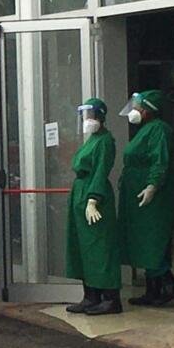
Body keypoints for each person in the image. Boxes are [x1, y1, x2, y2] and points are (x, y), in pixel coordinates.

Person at [117, 90, 174, 306]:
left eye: (138, 107)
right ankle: (153, 291)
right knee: (143, 242)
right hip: (138, 194)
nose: (134, 111)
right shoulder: (146, 129)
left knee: (153, 240)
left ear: (148, 109)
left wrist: (152, 185)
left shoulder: (159, 130)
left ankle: (167, 287)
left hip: (153, 198)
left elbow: (159, 161)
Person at [65, 98, 122, 315]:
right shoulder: (92, 140)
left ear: (100, 116)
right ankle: (91, 295)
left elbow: (100, 171)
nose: (86, 119)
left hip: (93, 196)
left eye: (90, 114)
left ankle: (110, 298)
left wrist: (93, 199)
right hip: (80, 193)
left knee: (100, 247)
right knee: (84, 248)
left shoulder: (105, 141)